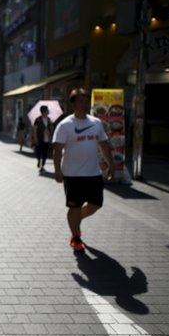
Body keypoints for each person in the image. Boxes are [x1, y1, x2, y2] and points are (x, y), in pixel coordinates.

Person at [53, 88, 114, 252]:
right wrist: (57, 171)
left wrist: (111, 165)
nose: (84, 103)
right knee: (74, 207)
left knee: (95, 204)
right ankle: (76, 236)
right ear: (73, 104)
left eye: (85, 100)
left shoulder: (96, 123)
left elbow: (104, 145)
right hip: (72, 175)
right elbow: (57, 150)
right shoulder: (65, 125)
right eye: (79, 100)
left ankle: (75, 219)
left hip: (93, 173)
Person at [31, 105, 54, 173]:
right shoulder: (38, 120)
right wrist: (35, 138)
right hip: (39, 138)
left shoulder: (49, 119)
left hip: (47, 140)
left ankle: (42, 166)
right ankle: (39, 160)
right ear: (43, 111)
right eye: (47, 110)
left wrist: (50, 131)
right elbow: (34, 129)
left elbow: (51, 129)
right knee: (38, 152)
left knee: (45, 154)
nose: (48, 111)